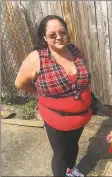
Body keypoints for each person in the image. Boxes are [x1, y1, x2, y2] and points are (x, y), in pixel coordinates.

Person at [15, 15, 92, 177]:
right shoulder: (37, 58)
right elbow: (20, 83)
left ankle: (71, 170)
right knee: (60, 155)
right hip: (57, 120)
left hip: (81, 116)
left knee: (73, 146)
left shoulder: (75, 50)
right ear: (44, 36)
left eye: (62, 32)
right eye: (52, 34)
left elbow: (82, 78)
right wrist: (39, 92)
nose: (59, 37)